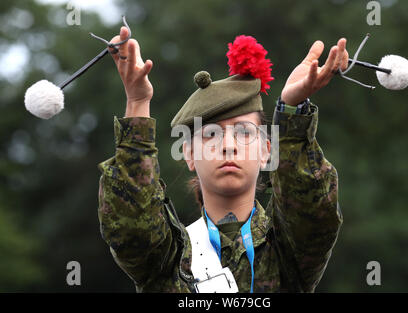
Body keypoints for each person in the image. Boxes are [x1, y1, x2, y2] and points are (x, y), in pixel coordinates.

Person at [97, 26, 347, 293]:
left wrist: (292, 108)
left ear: (266, 151)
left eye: (243, 132)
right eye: (211, 135)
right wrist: (137, 103)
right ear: (190, 155)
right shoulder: (167, 259)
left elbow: (313, 210)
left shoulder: (289, 250)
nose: (228, 146)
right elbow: (130, 224)